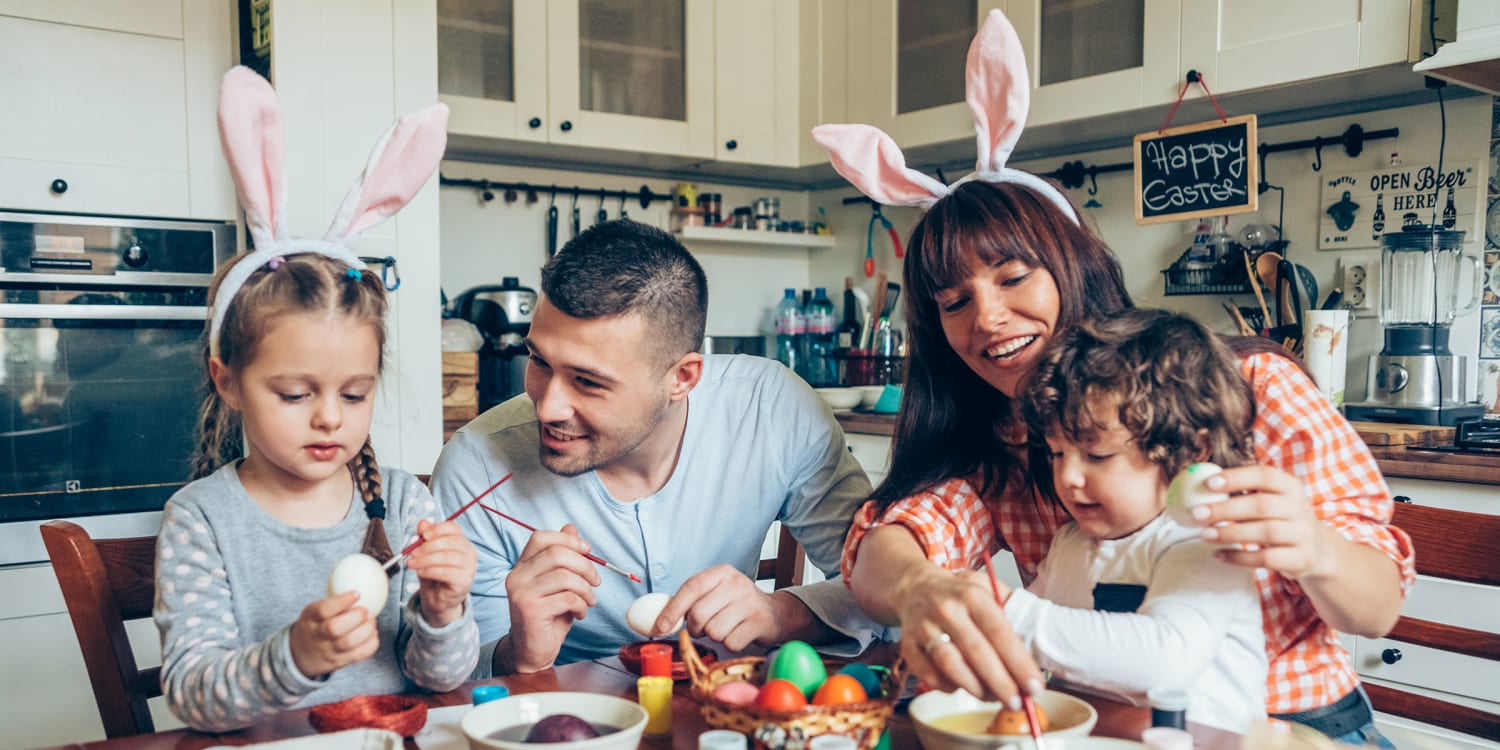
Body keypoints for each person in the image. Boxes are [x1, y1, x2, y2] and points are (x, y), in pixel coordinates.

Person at [814, 10, 1412, 747]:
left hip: (1295, 729)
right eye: (954, 302)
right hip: (1114, 728)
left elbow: (1376, 610)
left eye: (1012, 277)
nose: (988, 318)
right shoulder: (1001, 434)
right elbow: (886, 548)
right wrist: (921, 589)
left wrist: (1314, 548)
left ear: (1075, 267)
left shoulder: (1247, 387)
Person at [154, 67, 478, 732]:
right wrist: (294, 656)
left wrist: (445, 612)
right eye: (296, 393)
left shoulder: (403, 501)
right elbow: (191, 695)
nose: (330, 415)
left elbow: (440, 680)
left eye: (355, 394)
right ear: (227, 381)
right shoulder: (202, 520)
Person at [429, 219, 883, 677]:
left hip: (728, 711)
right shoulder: (478, 467)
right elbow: (456, 683)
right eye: (540, 362)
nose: (547, 408)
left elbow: (885, 589)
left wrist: (779, 614)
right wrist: (518, 653)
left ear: (681, 378)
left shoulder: (771, 409)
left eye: (588, 382)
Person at [1004, 308, 1267, 732]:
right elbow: (1019, 640)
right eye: (1056, 453)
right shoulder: (1071, 543)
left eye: (1098, 455)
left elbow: (1164, 661)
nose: (1068, 477)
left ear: (1191, 450)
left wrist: (1010, 611)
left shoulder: (1204, 543)